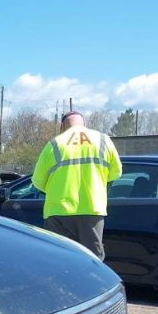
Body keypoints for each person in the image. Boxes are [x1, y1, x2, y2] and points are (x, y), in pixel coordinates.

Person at [31, 111, 122, 260]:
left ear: (62, 126)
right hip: (92, 208)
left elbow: (38, 181)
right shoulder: (103, 140)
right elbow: (116, 173)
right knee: (93, 259)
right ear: (84, 124)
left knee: (61, 258)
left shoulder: (54, 144)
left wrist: (56, 189)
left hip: (58, 211)